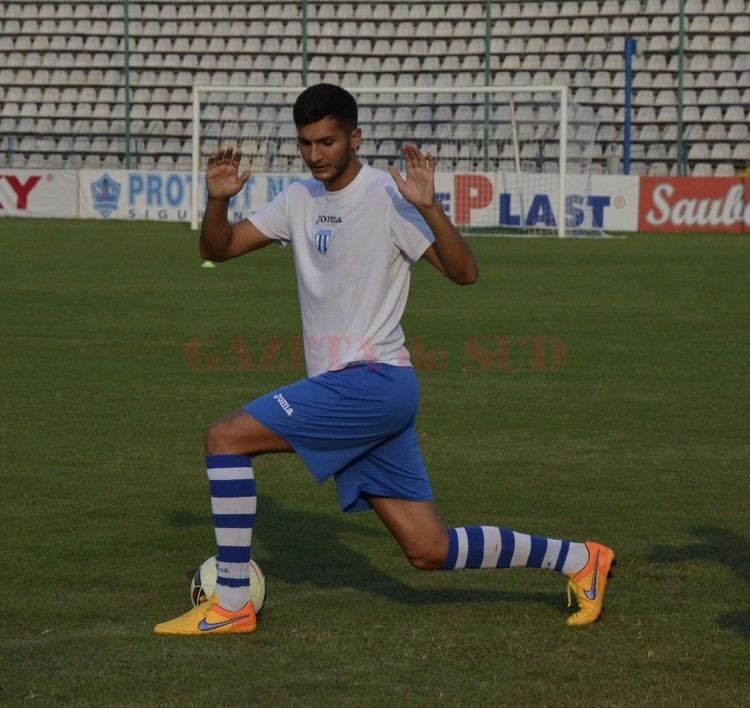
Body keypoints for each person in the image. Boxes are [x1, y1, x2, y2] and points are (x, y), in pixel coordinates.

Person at [154, 84, 614, 636]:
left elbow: (464, 273)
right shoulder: (298, 199)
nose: (316, 154)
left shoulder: (387, 197)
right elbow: (218, 248)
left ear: (355, 137)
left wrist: (429, 206)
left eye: (327, 141)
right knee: (428, 548)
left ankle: (230, 602)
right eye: (305, 144)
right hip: (364, 392)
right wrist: (218, 199)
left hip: (371, 381)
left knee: (225, 438)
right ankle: (580, 559)